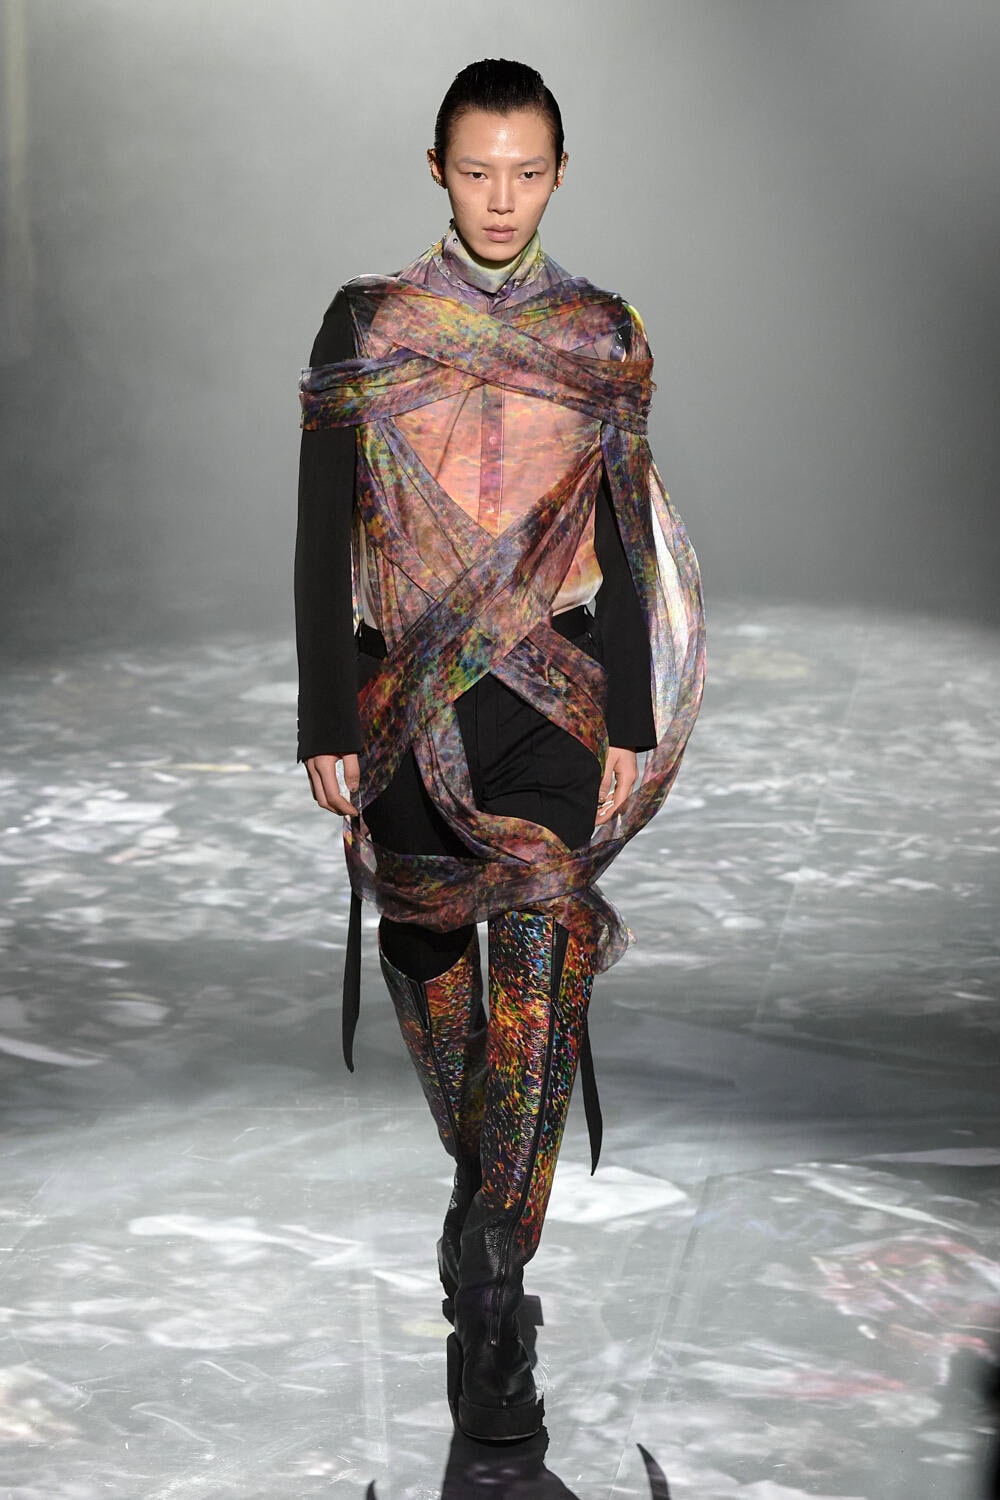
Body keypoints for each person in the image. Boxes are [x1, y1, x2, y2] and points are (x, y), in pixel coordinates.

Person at [295, 58, 705, 1443]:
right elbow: (323, 522)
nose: (501, 197)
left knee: (537, 971)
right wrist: (323, 715)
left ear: (560, 173)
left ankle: (489, 1280)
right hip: (406, 696)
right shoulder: (368, 322)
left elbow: (628, 530)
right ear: (438, 170)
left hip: (554, 699)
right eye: (477, 170)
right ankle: (489, 1234)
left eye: (527, 172)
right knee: (435, 975)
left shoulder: (601, 333)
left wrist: (629, 718)